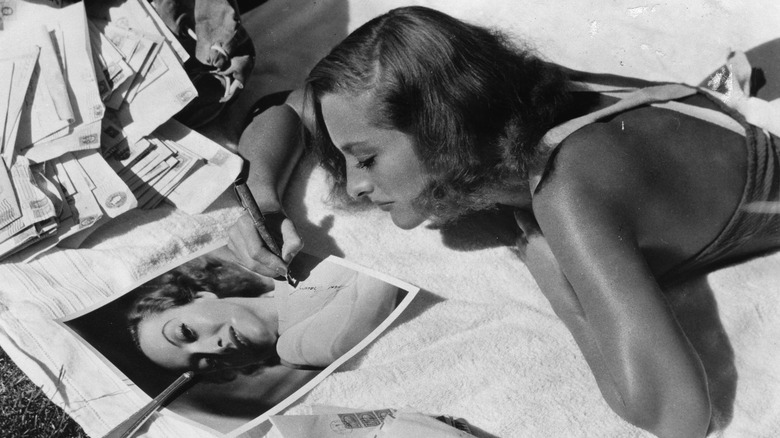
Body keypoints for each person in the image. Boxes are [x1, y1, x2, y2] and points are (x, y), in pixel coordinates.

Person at [226, 6, 780, 438]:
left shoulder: (567, 192)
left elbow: (674, 413)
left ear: (444, 129)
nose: (353, 187)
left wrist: (536, 250)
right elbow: (282, 106)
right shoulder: (503, 93)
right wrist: (261, 194)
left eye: (366, 159)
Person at [127, 252, 401, 375]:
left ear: (201, 297)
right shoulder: (295, 350)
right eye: (205, 363)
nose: (215, 349)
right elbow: (386, 270)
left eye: (187, 333)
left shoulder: (275, 265)